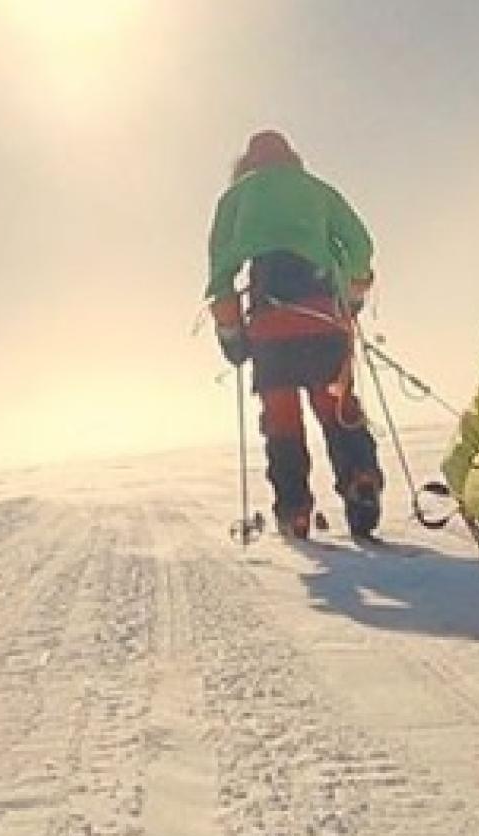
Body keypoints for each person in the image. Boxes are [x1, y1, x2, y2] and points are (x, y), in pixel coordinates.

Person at [204, 130, 384, 539]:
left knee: (282, 419)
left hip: (271, 327)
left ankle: (295, 511)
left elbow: (220, 272)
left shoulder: (236, 198)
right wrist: (353, 294)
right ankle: (360, 477)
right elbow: (359, 246)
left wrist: (230, 330)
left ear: (247, 164)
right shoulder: (318, 191)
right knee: (337, 406)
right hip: (323, 318)